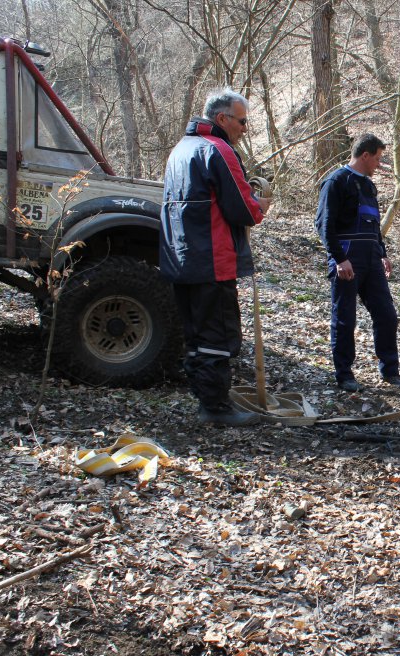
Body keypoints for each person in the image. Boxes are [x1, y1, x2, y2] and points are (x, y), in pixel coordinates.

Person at [159, 88, 271, 426]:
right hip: (212, 260)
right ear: (222, 119)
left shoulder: (180, 149)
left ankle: (206, 400)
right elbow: (242, 207)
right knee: (218, 336)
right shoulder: (218, 150)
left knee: (196, 335)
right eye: (242, 121)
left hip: (182, 259)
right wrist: (260, 207)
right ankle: (216, 409)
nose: (245, 128)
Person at [315, 133, 400, 391]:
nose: (379, 164)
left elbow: (373, 225)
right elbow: (323, 224)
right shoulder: (336, 181)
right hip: (347, 260)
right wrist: (339, 258)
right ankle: (344, 374)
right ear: (364, 155)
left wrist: (382, 252)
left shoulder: (369, 186)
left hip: (371, 260)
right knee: (345, 318)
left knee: (387, 315)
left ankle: (390, 371)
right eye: (377, 159)